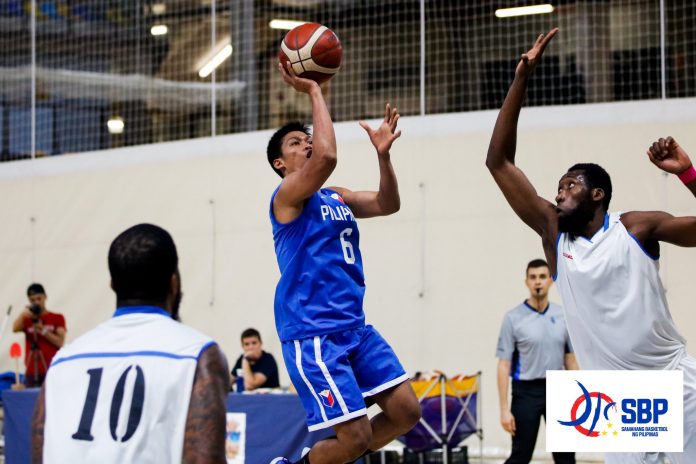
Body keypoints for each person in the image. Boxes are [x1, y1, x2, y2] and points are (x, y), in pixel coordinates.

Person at [486, 27, 696, 463]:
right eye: (558, 186)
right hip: (615, 402)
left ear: (597, 194)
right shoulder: (553, 235)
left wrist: (687, 174)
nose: (559, 192)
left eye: (571, 185)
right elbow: (498, 162)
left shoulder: (636, 228)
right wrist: (521, 77)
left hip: (675, 382)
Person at [266, 61, 421, 464]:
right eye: (296, 143)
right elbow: (328, 155)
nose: (307, 144)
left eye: (307, 138)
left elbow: (389, 204)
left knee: (406, 412)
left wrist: (384, 157)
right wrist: (315, 90)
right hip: (313, 331)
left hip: (354, 326)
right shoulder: (286, 199)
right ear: (280, 165)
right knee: (354, 438)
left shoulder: (336, 195)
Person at [31, 224, 229, 464]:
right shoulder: (198, 356)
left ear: (112, 285)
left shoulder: (63, 360)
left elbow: (40, 455)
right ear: (173, 282)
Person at [496, 259, 577, 464]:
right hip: (526, 391)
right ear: (527, 282)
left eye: (542, 277)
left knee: (566, 457)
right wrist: (504, 409)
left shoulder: (562, 316)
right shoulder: (513, 318)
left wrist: (579, 398)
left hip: (559, 389)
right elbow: (504, 364)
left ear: (550, 280)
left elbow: (570, 359)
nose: (537, 282)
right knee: (521, 455)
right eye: (533, 277)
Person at [12, 283, 66, 387]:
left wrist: (43, 330)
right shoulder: (27, 319)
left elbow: (60, 342)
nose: (36, 302)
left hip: (51, 369)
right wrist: (23, 314)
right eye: (32, 300)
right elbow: (14, 329)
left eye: (39, 299)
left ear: (45, 297)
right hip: (31, 371)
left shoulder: (57, 317)